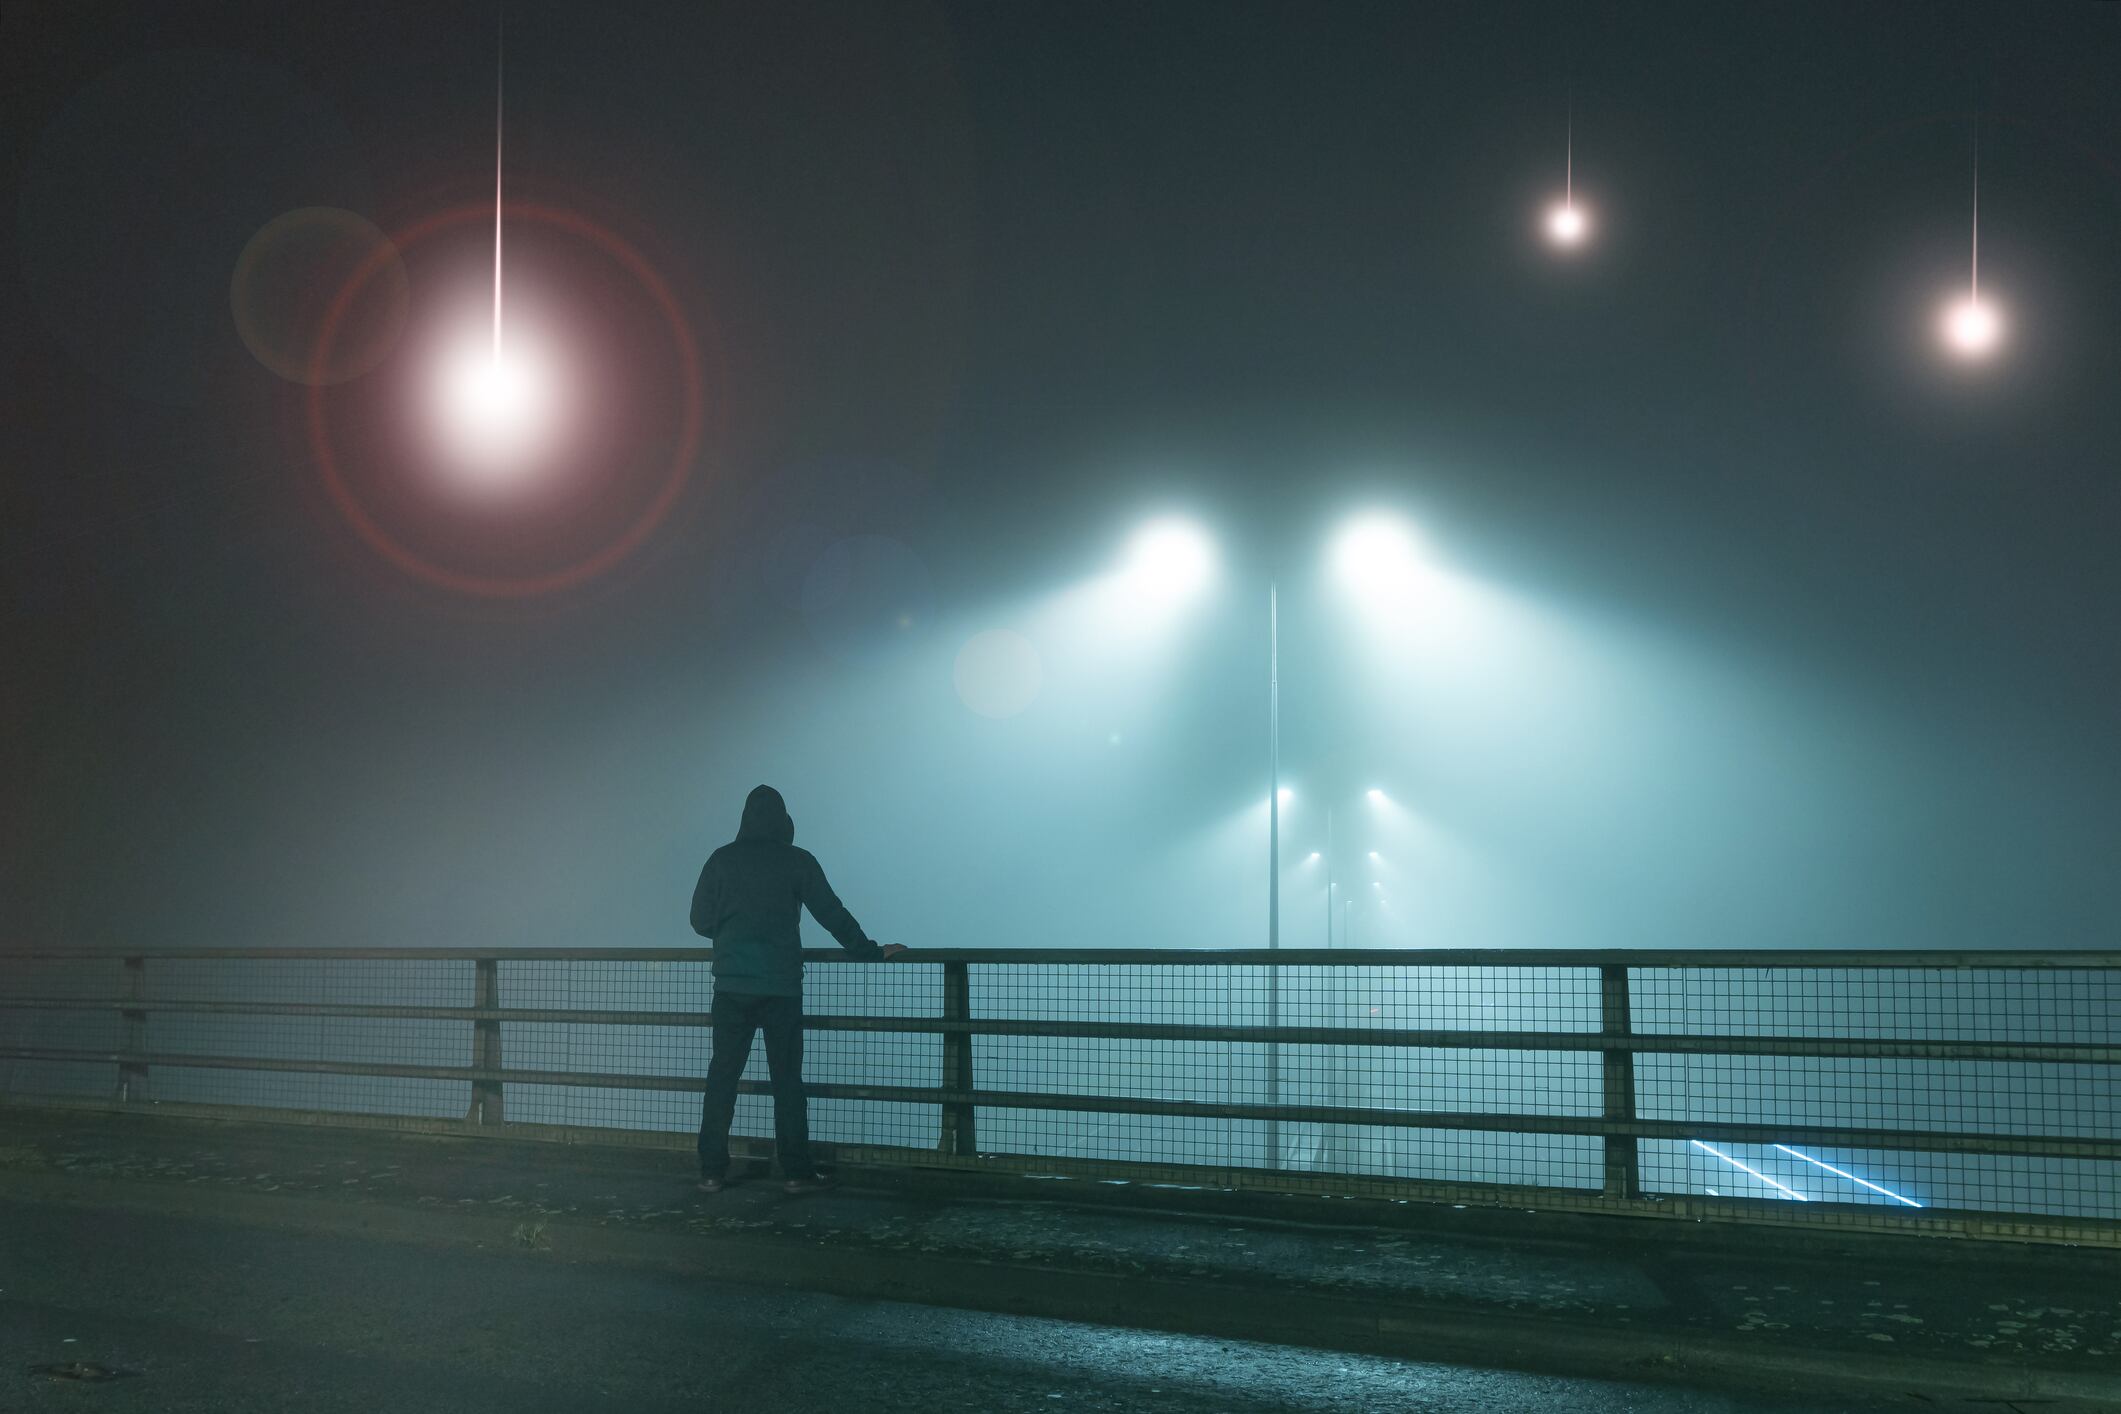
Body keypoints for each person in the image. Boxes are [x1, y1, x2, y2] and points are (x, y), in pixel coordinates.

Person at [689, 784, 904, 1194]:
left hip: (732, 988)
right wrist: (871, 952)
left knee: (722, 1079)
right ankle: (795, 1172)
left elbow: (699, 921)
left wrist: (735, 930)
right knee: (787, 1081)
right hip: (782, 989)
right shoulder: (797, 861)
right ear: (785, 823)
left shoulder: (721, 860)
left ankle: (712, 1171)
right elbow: (831, 913)